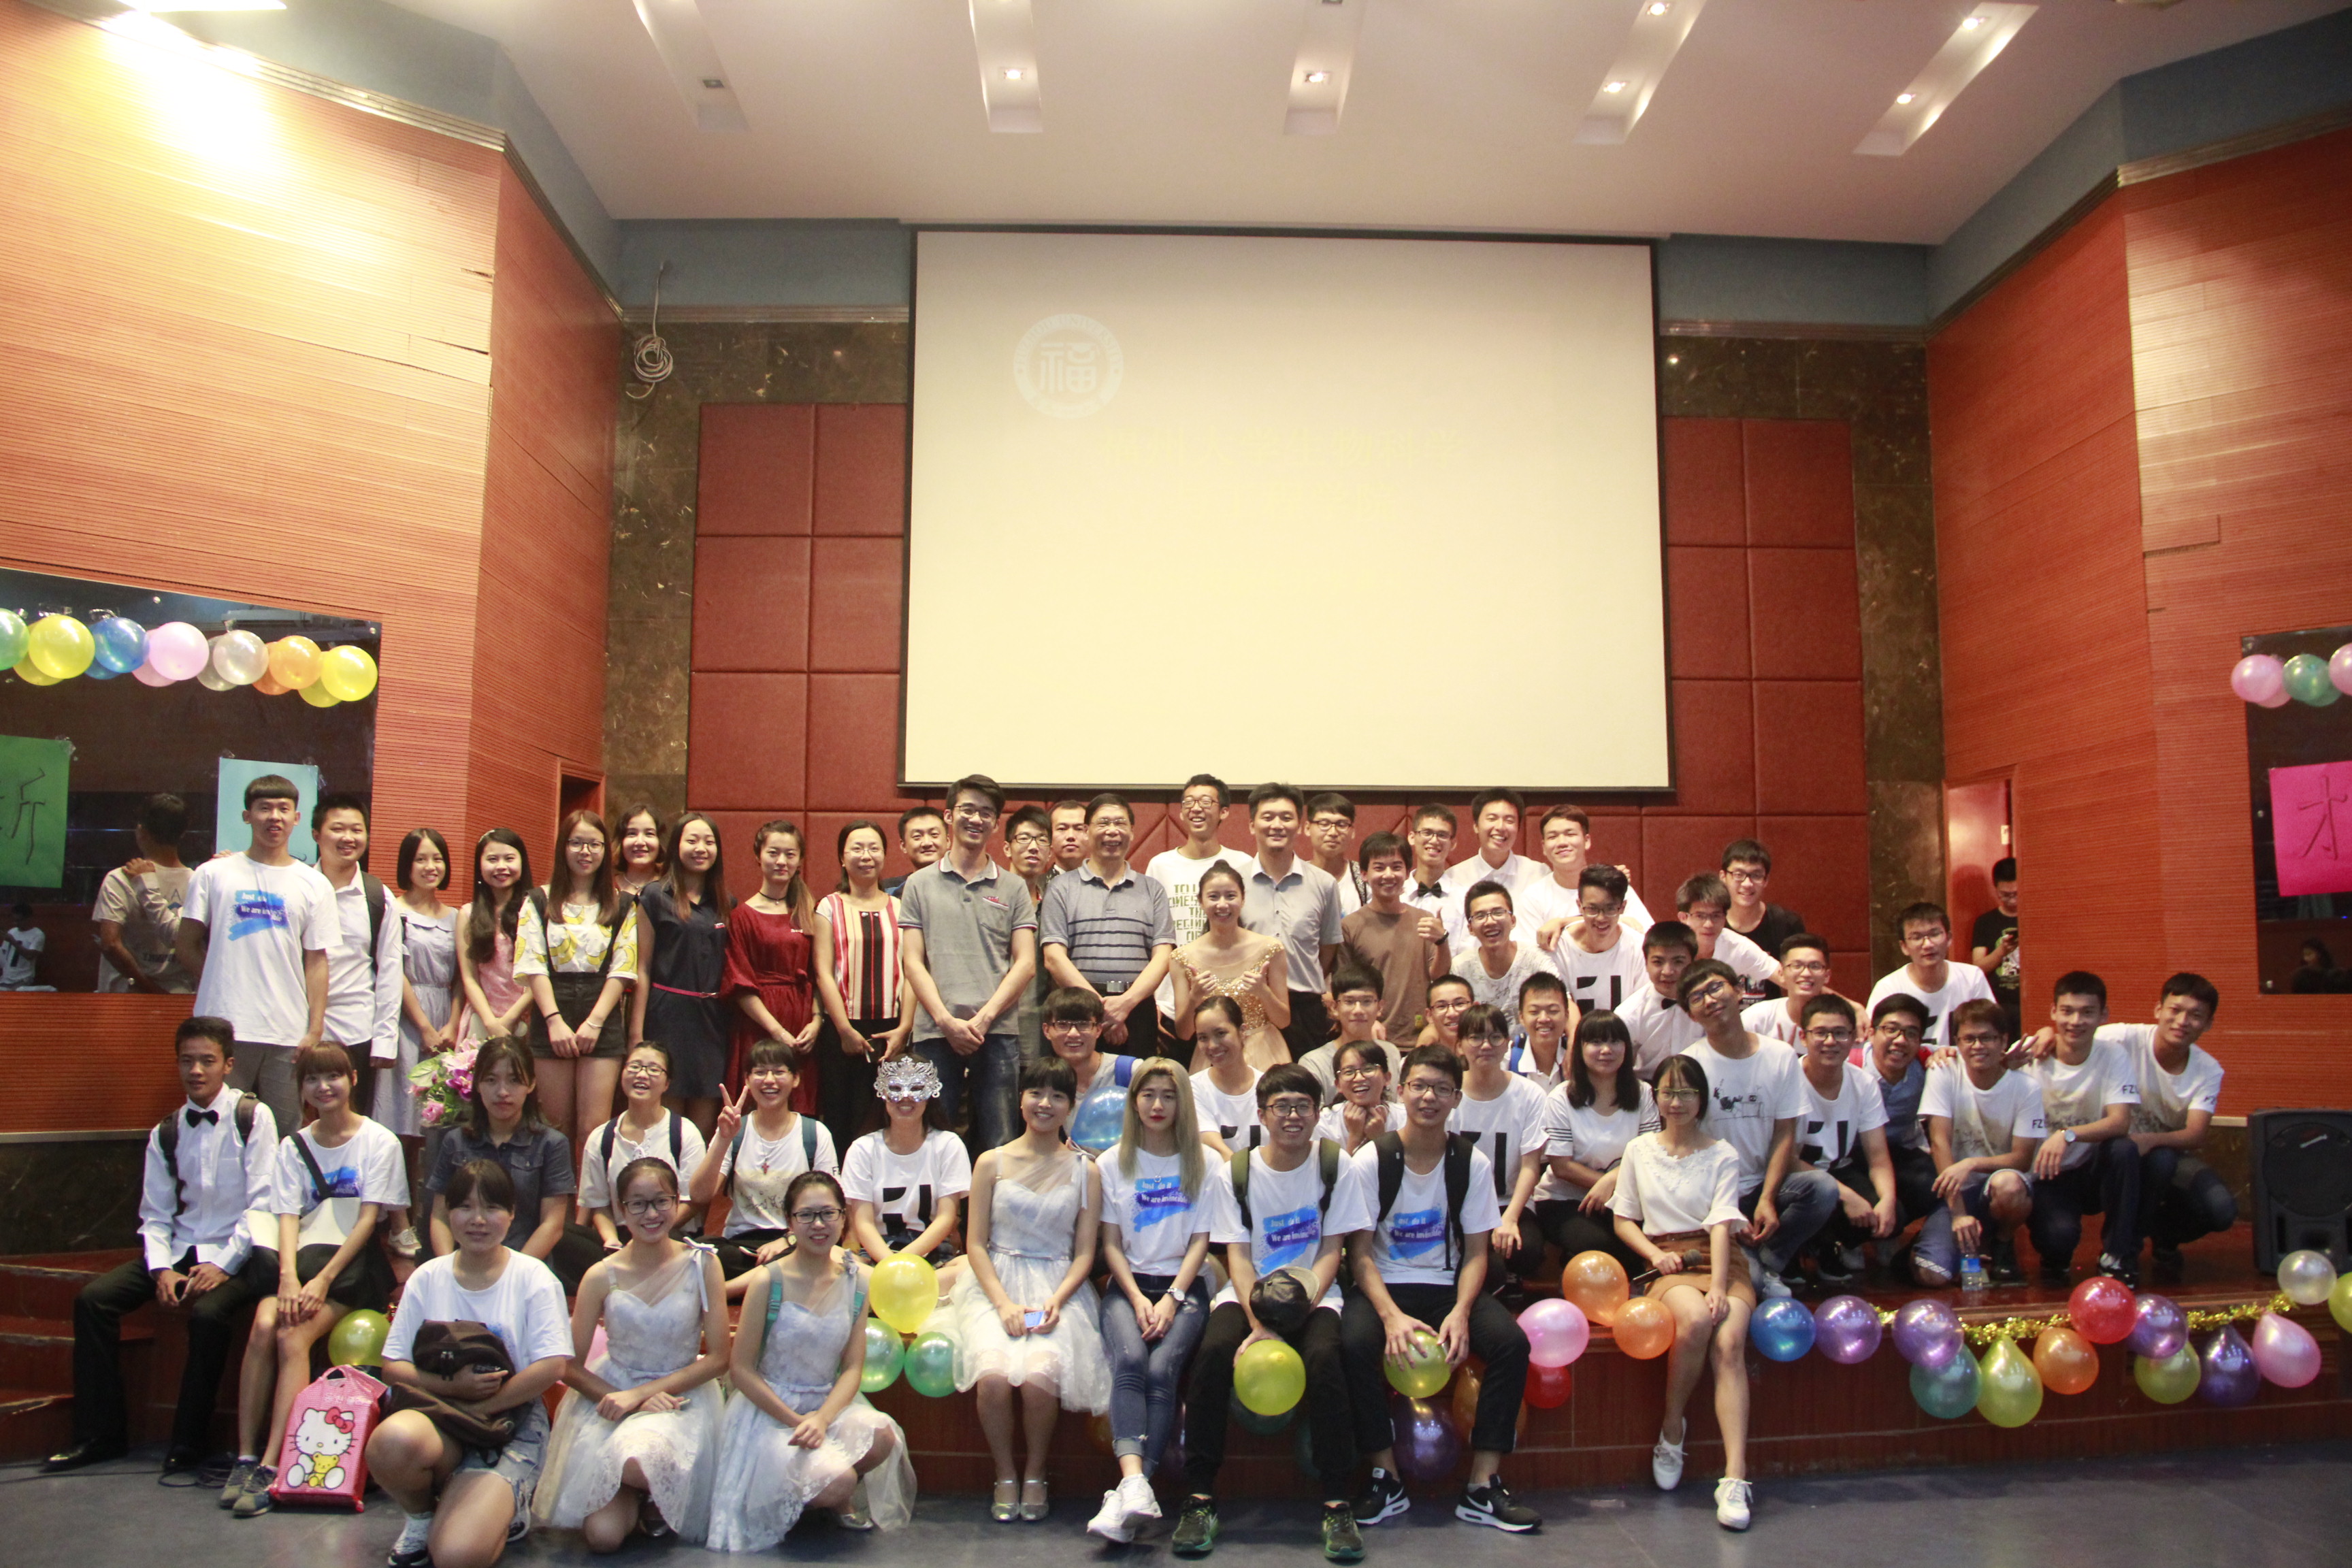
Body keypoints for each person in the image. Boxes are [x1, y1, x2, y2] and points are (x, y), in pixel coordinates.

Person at [46, 1016, 278, 1475]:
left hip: (240, 1251)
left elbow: (263, 1205)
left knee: (208, 1315)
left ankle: (188, 1442)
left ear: (228, 1065)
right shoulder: (166, 1131)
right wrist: (160, 1269)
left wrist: (224, 1266)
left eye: (207, 1061)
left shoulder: (254, 1117)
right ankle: (99, 1436)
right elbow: (155, 1215)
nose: (196, 1071)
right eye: (187, 1061)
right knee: (94, 1300)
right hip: (182, 1246)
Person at [1173, 1062, 1373, 1562]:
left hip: (1315, 1295)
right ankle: (1199, 1497)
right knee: (1214, 1354)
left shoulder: (1336, 1165)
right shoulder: (1236, 1172)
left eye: (1302, 1106)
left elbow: (1331, 1251)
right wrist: (1262, 1322)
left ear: (1318, 1113)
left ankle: (1337, 1503)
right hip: (1249, 1295)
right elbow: (1238, 1258)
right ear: (1261, 1114)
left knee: (1326, 1361)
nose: (1292, 1116)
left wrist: (1297, 1310)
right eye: (1281, 1106)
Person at [1342, 1045, 1541, 1535]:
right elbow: (1359, 1255)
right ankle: (1385, 1477)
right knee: (1353, 1344)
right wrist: (1390, 1316)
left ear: (1456, 1098)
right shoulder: (1371, 1160)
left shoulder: (1471, 1163)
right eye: (1419, 1086)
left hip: (1447, 1288)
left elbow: (1477, 1253)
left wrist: (1461, 1310)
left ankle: (1483, 1485)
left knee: (1511, 1344)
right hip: (1384, 1286)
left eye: (1441, 1089)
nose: (1429, 1097)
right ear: (1400, 1091)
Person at [224, 1041, 406, 1515]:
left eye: (333, 1076)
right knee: (264, 1324)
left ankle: (274, 1464)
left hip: (350, 1270)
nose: (323, 1087)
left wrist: (322, 1281)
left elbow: (368, 1220)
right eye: (312, 1079)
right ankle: (245, 1457)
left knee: (293, 1335)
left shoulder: (380, 1142)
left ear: (353, 1079)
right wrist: (288, 1278)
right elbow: (287, 1216)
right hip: (303, 1263)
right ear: (301, 1087)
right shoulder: (293, 1146)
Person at [366, 1159, 572, 1568]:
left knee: (457, 1556)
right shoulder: (428, 1277)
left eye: (491, 1208)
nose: (478, 1220)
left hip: (509, 1425)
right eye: (465, 1207)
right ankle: (421, 1517)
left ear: (511, 1214)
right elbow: (393, 1366)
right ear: (448, 1213)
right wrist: (453, 1390)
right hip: (443, 1418)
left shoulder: (533, 1278)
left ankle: (505, 1505)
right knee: (391, 1442)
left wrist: (484, 1407)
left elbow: (552, 1367)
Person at [707, 1172, 915, 1548]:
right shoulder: (767, 1281)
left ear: (843, 1218)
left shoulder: (857, 1281)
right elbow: (741, 1370)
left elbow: (852, 1367)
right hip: (770, 1412)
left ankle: (811, 1489)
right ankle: (811, 1490)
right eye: (806, 1215)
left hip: (825, 1404)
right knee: (840, 1481)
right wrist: (796, 1421)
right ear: (790, 1223)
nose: (818, 1224)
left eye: (828, 1213)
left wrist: (822, 1418)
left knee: (883, 1436)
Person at [536, 1159, 729, 1550]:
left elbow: (719, 1358)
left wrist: (643, 1395)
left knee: (637, 1460)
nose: (651, 1214)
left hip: (680, 1398)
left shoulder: (703, 1264)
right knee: (602, 1537)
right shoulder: (600, 1275)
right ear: (621, 1209)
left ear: (676, 1202)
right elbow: (568, 1366)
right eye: (638, 1204)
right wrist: (627, 1400)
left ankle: (653, 1491)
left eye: (661, 1201)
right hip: (613, 1395)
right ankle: (640, 1499)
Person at [952, 1055, 1112, 1521]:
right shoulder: (991, 1162)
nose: (1045, 1103)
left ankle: (1036, 1473)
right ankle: (1004, 1473)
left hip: (1058, 1288)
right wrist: (1003, 1303)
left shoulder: (1087, 1170)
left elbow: (1084, 1252)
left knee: (1041, 1379)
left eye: (1058, 1095)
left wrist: (1056, 1300)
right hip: (995, 1285)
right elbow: (975, 1244)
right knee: (994, 1378)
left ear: (1070, 1106)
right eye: (1036, 1093)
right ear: (1020, 1099)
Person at [1612, 1053, 1757, 1532]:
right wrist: (1655, 1256)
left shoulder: (1722, 1154)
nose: (1677, 1102)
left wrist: (1719, 1286)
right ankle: (1672, 1429)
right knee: (1693, 1321)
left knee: (1729, 1341)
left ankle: (1735, 1477)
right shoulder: (1639, 1151)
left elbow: (1722, 1224)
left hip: (1720, 1258)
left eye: (1687, 1092)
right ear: (1656, 1097)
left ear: (1702, 1099)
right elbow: (1624, 1220)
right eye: (1668, 1092)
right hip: (1668, 1260)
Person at [1088, 1058, 1217, 1543]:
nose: (1158, 1105)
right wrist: (1139, 1297)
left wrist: (1172, 1299)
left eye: (1168, 1095)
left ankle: (1129, 1492)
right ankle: (1136, 1485)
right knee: (1131, 1361)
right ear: (1134, 1102)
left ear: (1183, 1102)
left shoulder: (1206, 1162)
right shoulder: (1111, 1162)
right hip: (1129, 1285)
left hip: (1185, 1287)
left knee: (1163, 1370)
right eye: (1148, 1095)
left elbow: (1201, 1242)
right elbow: (1110, 1244)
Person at [177, 773, 336, 1130]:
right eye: (264, 808)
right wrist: (220, 978)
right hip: (222, 1030)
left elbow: (317, 961)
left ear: (297, 818)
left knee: (284, 1133)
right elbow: (185, 944)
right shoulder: (212, 874)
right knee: (217, 1128)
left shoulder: (315, 884)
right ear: (247, 816)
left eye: (284, 809)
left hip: (287, 1033)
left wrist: (315, 1030)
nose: (274, 817)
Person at [1676, 959, 1835, 1299]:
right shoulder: (1689, 1065)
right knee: (1756, 1288)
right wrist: (1727, 1212)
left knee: (1822, 1189)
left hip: (1766, 1184)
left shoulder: (1781, 1056)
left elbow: (1785, 1133)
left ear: (1739, 991)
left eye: (1716, 987)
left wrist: (1767, 1199)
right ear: (1691, 1015)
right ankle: (1756, 1269)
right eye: (1697, 997)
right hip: (1716, 1195)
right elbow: (1687, 1147)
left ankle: (1770, 1260)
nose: (1710, 1000)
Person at [900, 774, 1039, 1152]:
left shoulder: (1013, 887)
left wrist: (984, 1018)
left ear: (996, 823)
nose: (976, 819)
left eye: (986, 813)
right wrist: (946, 1021)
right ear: (949, 815)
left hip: (997, 1032)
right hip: (934, 1032)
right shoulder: (919, 884)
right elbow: (913, 962)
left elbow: (1025, 964)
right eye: (968, 810)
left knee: (1001, 1141)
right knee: (933, 1140)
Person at [425, 1037, 593, 1288]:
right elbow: (440, 1216)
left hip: (526, 1275)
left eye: (514, 1080)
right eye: (491, 1080)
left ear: (531, 1084)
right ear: (477, 1085)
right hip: (464, 1271)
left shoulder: (551, 1144)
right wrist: (449, 1271)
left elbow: (552, 1225)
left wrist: (510, 1277)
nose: (502, 1091)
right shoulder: (455, 1141)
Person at [515, 810, 638, 1158]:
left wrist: (595, 1022)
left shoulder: (622, 903)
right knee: (555, 1129)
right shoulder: (537, 900)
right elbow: (533, 964)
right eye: (577, 843)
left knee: (593, 1131)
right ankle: (558, 1195)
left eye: (594, 844)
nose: (586, 852)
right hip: (552, 1010)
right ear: (562, 847)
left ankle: (589, 1196)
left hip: (602, 1012)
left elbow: (624, 968)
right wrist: (554, 1021)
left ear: (606, 851)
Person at [2098, 972, 2233, 1281]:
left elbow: (2196, 1134)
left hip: (2166, 1155)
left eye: (2195, 1015)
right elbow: (2071, 1036)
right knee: (2144, 1157)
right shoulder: (2122, 1038)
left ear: (2208, 1024)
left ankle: (2164, 1235)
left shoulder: (2208, 1070)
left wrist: (2149, 1140)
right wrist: (2046, 1034)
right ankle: (2120, 1252)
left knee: (2221, 1209)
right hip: (2110, 1151)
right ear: (2158, 1010)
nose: (2182, 1021)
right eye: (2175, 1010)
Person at [2017, 970, 2142, 1286]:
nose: (2076, 1021)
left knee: (2124, 1149)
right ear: (2053, 1012)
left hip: (2091, 1170)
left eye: (2087, 1012)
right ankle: (2053, 1253)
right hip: (2046, 1174)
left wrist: (2068, 1135)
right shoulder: (2031, 1054)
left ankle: (2117, 1255)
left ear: (2103, 1016)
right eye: (2067, 1011)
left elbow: (2120, 1121)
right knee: (2058, 1242)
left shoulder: (2113, 1055)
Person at [1914, 999, 2045, 1288]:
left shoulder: (2027, 1088)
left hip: (2000, 1185)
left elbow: (2022, 1159)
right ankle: (1927, 1247)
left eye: (1987, 1038)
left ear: (2004, 1041)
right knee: (1932, 1275)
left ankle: (2003, 1242)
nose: (1978, 1046)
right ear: (1957, 1042)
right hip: (1957, 1191)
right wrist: (1959, 1214)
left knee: (2009, 1186)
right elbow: (1939, 1141)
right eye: (1969, 1039)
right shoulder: (1944, 1072)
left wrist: (1971, 1163)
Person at [691, 1041, 839, 1287]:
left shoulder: (815, 1134)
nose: (769, 1080)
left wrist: (789, 1240)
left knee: (812, 1257)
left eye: (779, 1072)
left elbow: (832, 1205)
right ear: (747, 1080)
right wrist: (723, 1140)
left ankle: (726, 1290)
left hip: (795, 1242)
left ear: (796, 1079)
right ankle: (765, 1284)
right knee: (702, 1254)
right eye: (760, 1072)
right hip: (741, 1245)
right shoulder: (734, 1129)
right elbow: (699, 1195)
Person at [1041, 792, 1177, 1056]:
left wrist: (1125, 1004)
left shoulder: (1152, 890)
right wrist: (1100, 1010)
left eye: (1120, 823)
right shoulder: (1061, 888)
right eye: (1103, 823)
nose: (1112, 830)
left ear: (1132, 832)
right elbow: (1054, 958)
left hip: (1137, 1007)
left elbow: (1163, 957)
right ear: (1087, 831)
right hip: (1077, 1012)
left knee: (1137, 1081)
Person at [629, 813, 734, 1139]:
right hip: (666, 1016)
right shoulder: (654, 896)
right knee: (665, 1123)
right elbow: (642, 967)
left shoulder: (726, 903)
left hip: (712, 1022)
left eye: (709, 842)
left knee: (703, 1128)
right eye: (692, 840)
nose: (701, 848)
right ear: (676, 846)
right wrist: (636, 1033)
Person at [811, 820, 913, 1150]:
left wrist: (904, 1029)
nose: (866, 856)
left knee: (889, 1117)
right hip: (842, 1032)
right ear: (842, 858)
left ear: (885, 855)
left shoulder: (901, 907)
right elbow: (823, 972)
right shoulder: (828, 906)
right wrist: (843, 1030)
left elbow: (912, 971)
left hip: (891, 1030)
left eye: (874, 848)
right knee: (842, 1117)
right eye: (857, 848)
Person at [1535, 1009, 1658, 1274]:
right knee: (1601, 1247)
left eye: (1615, 1041)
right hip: (1565, 1201)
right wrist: (1603, 1185)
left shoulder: (1643, 1093)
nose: (1606, 1050)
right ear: (1579, 1049)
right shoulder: (1560, 1098)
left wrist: (1611, 1182)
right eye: (1596, 1042)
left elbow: (1649, 1155)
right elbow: (1561, 1167)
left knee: (1648, 1240)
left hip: (1625, 1198)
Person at [1790, 995, 1897, 1288]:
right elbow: (1785, 1159)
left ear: (1853, 1037)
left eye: (1840, 1033)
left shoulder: (1863, 1083)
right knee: (1815, 1194)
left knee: (1890, 1212)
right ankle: (1795, 1248)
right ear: (1803, 1037)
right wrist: (1847, 1196)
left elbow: (1878, 1157)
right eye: (1821, 1033)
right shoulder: (1787, 1080)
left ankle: (1830, 1245)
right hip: (1795, 1176)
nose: (1830, 1042)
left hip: (1838, 1169)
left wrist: (1887, 1201)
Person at [1449, 1003, 1551, 1301]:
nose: (1486, 1046)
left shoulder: (1529, 1094)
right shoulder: (1449, 1094)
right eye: (1475, 1038)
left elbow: (1531, 1165)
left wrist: (1511, 1218)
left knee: (1526, 1250)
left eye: (1495, 1038)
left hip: (1509, 1202)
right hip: (1461, 1206)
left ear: (1507, 1044)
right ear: (1459, 1046)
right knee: (1487, 1269)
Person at [311, 794, 402, 1117]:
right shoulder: (298, 888)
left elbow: (390, 970)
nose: (348, 838)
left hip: (357, 1032)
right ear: (316, 834)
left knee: (351, 1122)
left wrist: (385, 1040)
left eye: (357, 830)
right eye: (337, 829)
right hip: (299, 1030)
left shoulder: (378, 896)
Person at [721, 819, 819, 1113]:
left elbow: (820, 975)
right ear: (758, 856)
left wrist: (817, 1021)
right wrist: (777, 1032)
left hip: (802, 1026)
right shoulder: (741, 916)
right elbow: (739, 983)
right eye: (773, 853)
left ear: (800, 860)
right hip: (759, 1023)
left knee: (799, 1106)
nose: (781, 861)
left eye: (790, 854)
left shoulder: (809, 912)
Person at [1241, 783, 1345, 1059]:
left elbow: (1327, 950)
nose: (1277, 825)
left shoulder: (1324, 884)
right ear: (1252, 825)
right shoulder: (1233, 882)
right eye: (1268, 817)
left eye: (1286, 818)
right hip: (1250, 1010)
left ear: (1299, 826)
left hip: (1306, 1011)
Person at [843, 1054, 971, 1268]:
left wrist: (903, 1263)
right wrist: (890, 1266)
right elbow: (863, 1223)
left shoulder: (948, 1145)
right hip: (876, 1254)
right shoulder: (862, 1149)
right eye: (896, 1088)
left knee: (968, 1267)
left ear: (930, 1093)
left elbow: (946, 1218)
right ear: (883, 1092)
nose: (905, 1097)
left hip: (933, 1254)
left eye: (916, 1088)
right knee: (836, 1259)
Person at [1145, 776, 1254, 1028]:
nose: (1196, 808)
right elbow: (1150, 936)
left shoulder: (1243, 864)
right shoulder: (1160, 865)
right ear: (1181, 812)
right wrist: (1154, 999)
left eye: (1206, 802)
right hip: (1171, 1001)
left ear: (1224, 812)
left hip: (1230, 997)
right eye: (1189, 802)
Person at [578, 1043, 708, 1250]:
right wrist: (612, 1240)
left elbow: (692, 1202)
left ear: (667, 1083)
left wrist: (649, 1234)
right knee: (567, 1238)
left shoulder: (686, 1133)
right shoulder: (601, 1138)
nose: (642, 1075)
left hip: (671, 1234)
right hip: (620, 1237)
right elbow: (599, 1205)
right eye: (634, 1067)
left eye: (654, 1069)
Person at [1171, 860, 1291, 1074]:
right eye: (1213, 897)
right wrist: (1194, 998)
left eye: (1230, 896)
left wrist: (1263, 992)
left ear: (1243, 899)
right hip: (1212, 1055)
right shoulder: (1182, 958)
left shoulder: (1271, 949)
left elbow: (1284, 1021)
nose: (1222, 905)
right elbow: (1184, 1032)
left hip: (1265, 1054)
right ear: (1200, 901)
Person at [386, 829, 459, 1170]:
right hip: (407, 1020)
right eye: (421, 859)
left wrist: (452, 1025)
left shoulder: (457, 917)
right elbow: (394, 972)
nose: (431, 867)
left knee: (441, 1117)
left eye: (437, 859)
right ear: (407, 865)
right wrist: (425, 1028)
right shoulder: (393, 910)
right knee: (402, 1116)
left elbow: (462, 978)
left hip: (446, 1020)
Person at [1341, 831, 1450, 1044]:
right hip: (1370, 1038)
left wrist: (1442, 941)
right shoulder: (1350, 926)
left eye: (1396, 867)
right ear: (1364, 874)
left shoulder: (1424, 919)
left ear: (1407, 872)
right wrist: (1368, 1021)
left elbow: (1438, 975)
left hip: (1421, 1038)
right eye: (1379, 868)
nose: (1389, 875)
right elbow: (1346, 987)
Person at [1857, 996, 1939, 1273]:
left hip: (1898, 1153)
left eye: (1911, 1033)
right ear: (1871, 1033)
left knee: (1934, 1182)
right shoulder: (1851, 1065)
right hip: (1850, 1158)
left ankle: (1893, 1230)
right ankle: (1848, 1240)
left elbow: (1977, 1051)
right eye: (1891, 1029)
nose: (1900, 1041)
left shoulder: (1926, 1064)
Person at [93, 792, 193, 993]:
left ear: (141, 831)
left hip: (123, 995)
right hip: (178, 993)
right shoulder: (197, 880)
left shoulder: (120, 878)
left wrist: (148, 989)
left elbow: (110, 943)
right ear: (183, 833)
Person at [1865, 901, 1995, 1051]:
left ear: (1949, 938)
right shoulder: (1889, 987)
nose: (1927, 944)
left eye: (1935, 934)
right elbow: (1873, 1043)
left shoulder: (1972, 978)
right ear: (1904, 946)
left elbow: (1991, 1031)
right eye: (1917, 937)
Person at [1523, 806, 1652, 946]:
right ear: (1543, 847)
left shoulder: (1611, 885)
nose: (1562, 843)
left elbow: (1647, 937)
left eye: (1570, 834)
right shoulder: (1533, 897)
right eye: (1553, 837)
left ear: (1587, 841)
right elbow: (1529, 951)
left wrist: (1561, 923)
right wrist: (1619, 921)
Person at [457, 830, 534, 1048]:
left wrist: (511, 1018)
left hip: (527, 1019)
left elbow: (541, 974)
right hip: (482, 1020)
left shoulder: (536, 910)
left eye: (509, 859)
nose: (501, 866)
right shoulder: (467, 915)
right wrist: (491, 1023)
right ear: (479, 866)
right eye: (492, 859)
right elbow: (470, 978)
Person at [1546, 864, 1647, 1019]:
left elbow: (1641, 1010)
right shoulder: (1558, 948)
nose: (1601, 918)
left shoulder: (1638, 947)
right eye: (1592, 909)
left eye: (1610, 909)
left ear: (1622, 907)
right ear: (1580, 906)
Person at [1294, 961, 1403, 1104]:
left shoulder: (1391, 1052)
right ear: (1334, 1008)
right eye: (1349, 1002)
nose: (1358, 1010)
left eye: (1367, 1001)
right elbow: (1313, 1115)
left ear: (1380, 1007)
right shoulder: (1314, 1063)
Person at [1456, 881, 1556, 1022]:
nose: (1490, 922)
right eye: (1480, 916)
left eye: (1498, 913)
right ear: (1470, 928)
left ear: (1513, 920)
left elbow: (1563, 1003)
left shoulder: (1536, 958)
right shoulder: (1460, 968)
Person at [1619, 921, 1705, 1074]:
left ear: (1693, 963)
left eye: (1678, 962)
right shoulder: (1629, 1014)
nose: (1668, 971)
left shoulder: (1709, 1004)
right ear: (1646, 964)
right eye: (1658, 962)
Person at [1673, 873, 1778, 997]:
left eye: (1716, 916)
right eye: (1700, 916)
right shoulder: (1667, 948)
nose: (1709, 924)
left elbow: (1782, 976)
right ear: (1683, 917)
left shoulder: (1738, 946)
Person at [1720, 840, 1806, 984]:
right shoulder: (1711, 925)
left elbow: (1803, 980)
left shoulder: (1787, 923)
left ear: (1766, 880)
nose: (1747, 884)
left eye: (1756, 875)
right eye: (1738, 874)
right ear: (1723, 877)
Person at [1187, 997, 1263, 1154]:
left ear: (1242, 1032)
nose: (1212, 1046)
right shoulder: (1192, 1088)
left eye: (1221, 1033)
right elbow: (1215, 1148)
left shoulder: (1268, 1087)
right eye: (1203, 1038)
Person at [1441, 788, 1540, 902]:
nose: (1500, 827)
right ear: (1476, 826)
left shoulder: (1537, 874)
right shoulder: (1454, 878)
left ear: (1518, 828)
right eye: (1492, 819)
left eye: (1509, 820)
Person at [1741, 934, 1836, 1047]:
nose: (1806, 973)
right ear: (1781, 973)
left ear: (1827, 976)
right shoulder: (1757, 1019)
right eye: (1797, 966)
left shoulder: (1842, 1021)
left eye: (1815, 966)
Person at [1313, 1035, 1405, 1152]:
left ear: (1387, 1078)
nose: (1359, 1078)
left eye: (1368, 1069)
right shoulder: (1323, 1122)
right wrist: (1355, 1136)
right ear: (1338, 1084)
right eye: (1349, 1072)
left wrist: (1380, 1139)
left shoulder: (1405, 1118)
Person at [1399, 804, 1466, 949]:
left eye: (1442, 835)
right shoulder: (1395, 896)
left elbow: (1468, 954)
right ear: (1412, 837)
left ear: (1453, 843)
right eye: (1427, 833)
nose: (1434, 841)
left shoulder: (1465, 899)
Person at [1969, 857, 2022, 1036]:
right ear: (1996, 888)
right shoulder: (1985, 922)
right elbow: (1978, 968)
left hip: (2031, 1001)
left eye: (2016, 894)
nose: (2012, 900)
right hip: (1998, 1005)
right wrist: (2002, 951)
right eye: (2005, 895)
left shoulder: (2035, 917)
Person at [1306, 793, 1369, 916]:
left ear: (1352, 831)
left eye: (1342, 825)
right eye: (1324, 824)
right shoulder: (1296, 878)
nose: (1333, 832)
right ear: (1307, 828)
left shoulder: (1365, 879)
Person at [1508, 970, 1575, 1083]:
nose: (1544, 1019)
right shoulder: (1507, 1060)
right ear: (1521, 1017)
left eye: (1553, 1011)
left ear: (1567, 1015)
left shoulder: (1581, 1060)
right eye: (1534, 1012)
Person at [883, 805, 947, 897]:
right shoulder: (888, 891)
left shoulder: (963, 885)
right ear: (903, 845)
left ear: (948, 841)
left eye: (934, 834)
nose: (927, 843)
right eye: (917, 836)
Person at [611, 804, 665, 902]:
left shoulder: (671, 889)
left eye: (649, 834)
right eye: (632, 834)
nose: (640, 842)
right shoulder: (606, 888)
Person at [1414, 973, 1475, 1052]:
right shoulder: (1420, 1059)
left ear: (1475, 1008)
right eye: (1442, 1006)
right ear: (1429, 1015)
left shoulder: (1490, 1053)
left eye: (1459, 1004)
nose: (1452, 1014)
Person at [1, 901, 46, 989]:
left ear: (29, 918)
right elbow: (3, 955)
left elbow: (29, 956)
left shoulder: (37, 934)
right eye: (15, 920)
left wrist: (12, 941)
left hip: (23, 979)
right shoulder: (12, 931)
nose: (16, 923)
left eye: (19, 920)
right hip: (6, 978)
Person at [1048, 800, 1091, 881]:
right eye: (1062, 829)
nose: (1071, 836)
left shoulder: (1105, 885)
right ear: (1049, 837)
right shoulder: (1034, 885)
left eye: (1079, 829)